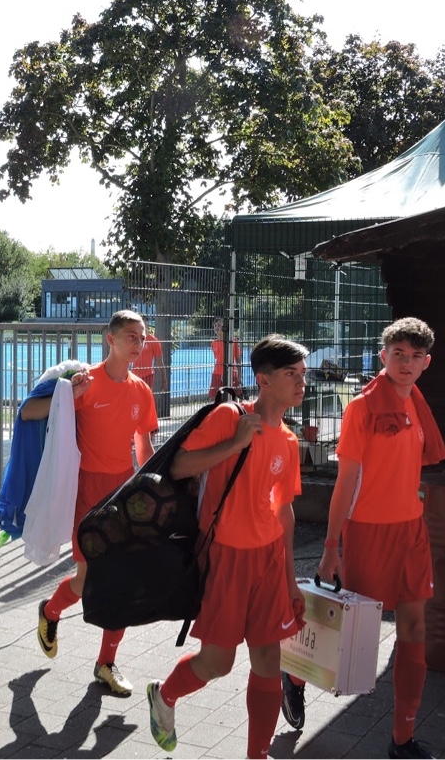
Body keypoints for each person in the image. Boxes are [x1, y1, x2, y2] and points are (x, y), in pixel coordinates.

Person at [292, 317, 445, 760]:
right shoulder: (362, 408)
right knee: (346, 628)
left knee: (414, 628)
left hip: (411, 530)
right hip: (368, 532)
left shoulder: (417, 401)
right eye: (398, 354)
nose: (406, 362)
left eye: (415, 356)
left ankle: (402, 739)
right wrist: (330, 548)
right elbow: (345, 482)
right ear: (383, 356)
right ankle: (295, 675)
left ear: (426, 362)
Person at [146, 334, 308, 757]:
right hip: (226, 557)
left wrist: (290, 581)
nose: (301, 382)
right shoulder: (229, 415)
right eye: (291, 374)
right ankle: (164, 695)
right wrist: (234, 443)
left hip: (269, 559)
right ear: (264, 380)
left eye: (302, 373)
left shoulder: (289, 440)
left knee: (268, 660)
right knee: (218, 662)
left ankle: (257, 755)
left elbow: (284, 512)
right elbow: (177, 466)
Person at [29, 309, 158, 695]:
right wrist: (67, 395)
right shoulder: (85, 381)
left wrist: (156, 488)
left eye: (142, 337)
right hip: (86, 491)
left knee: (122, 581)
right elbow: (31, 412)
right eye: (131, 336)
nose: (138, 343)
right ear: (110, 339)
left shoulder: (141, 390)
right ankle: (50, 611)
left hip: (123, 493)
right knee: (87, 579)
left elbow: (144, 447)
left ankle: (106, 663)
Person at [209, 316, 243, 399]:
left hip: (231, 372)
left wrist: (239, 375)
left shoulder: (233, 341)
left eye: (219, 325)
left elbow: (238, 358)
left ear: (224, 327)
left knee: (235, 397)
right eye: (215, 326)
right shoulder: (213, 343)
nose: (217, 328)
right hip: (217, 373)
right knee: (213, 397)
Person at [131, 323, 163, 393]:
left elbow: (159, 360)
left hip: (148, 375)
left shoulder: (153, 340)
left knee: (146, 394)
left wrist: (164, 379)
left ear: (147, 326)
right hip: (135, 374)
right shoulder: (133, 340)